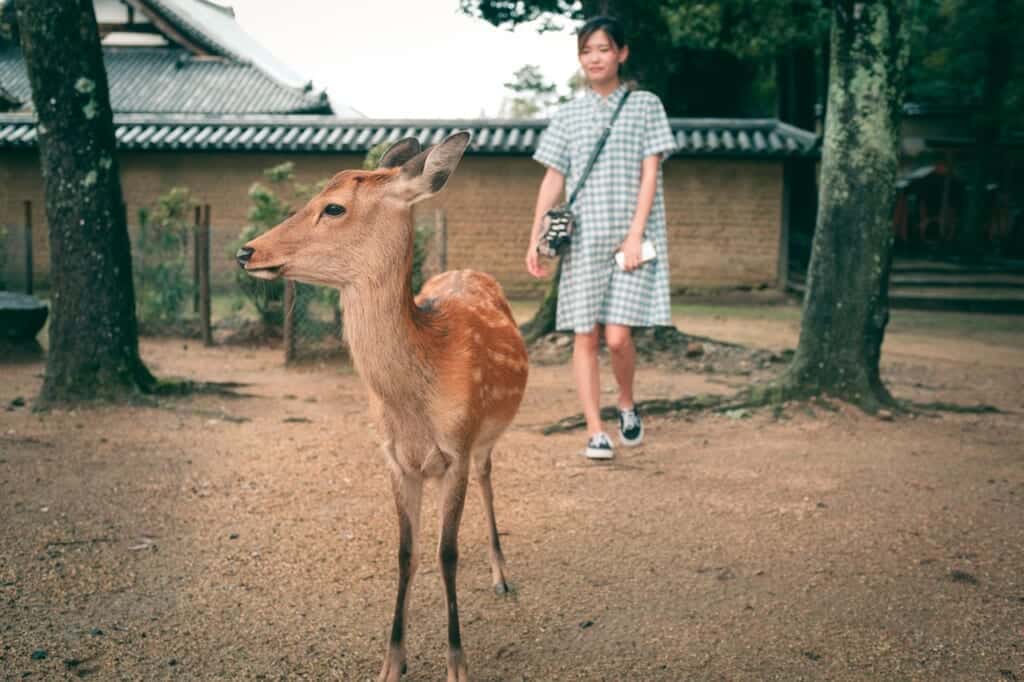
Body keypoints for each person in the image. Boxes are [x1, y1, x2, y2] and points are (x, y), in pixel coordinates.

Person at [526, 15, 676, 460]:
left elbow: (651, 173)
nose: (595, 58)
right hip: (584, 241)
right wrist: (534, 236)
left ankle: (626, 403)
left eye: (604, 49)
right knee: (585, 335)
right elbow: (553, 179)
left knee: (616, 337)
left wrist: (634, 235)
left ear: (621, 54)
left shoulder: (646, 105)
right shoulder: (569, 115)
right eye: (587, 50)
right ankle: (595, 430)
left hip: (633, 240)